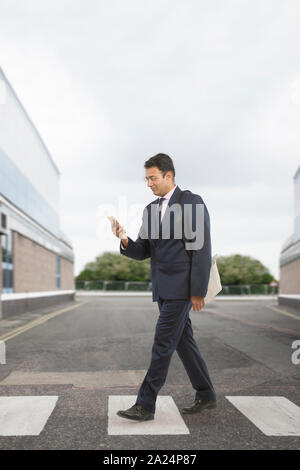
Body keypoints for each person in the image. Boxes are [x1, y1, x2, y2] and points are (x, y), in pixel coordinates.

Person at [109, 153, 217, 421]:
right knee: (184, 343)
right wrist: (124, 239)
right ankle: (206, 394)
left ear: (169, 175)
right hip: (162, 288)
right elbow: (144, 250)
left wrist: (198, 290)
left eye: (153, 178)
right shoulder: (150, 210)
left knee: (162, 343)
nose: (149, 183)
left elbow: (201, 250)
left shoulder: (191, 202)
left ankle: (145, 404)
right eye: (146, 179)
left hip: (182, 289)